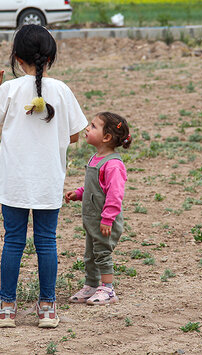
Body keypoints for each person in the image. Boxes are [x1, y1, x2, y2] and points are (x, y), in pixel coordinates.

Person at [0, 24, 87, 328]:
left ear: (16, 57)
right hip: (47, 179)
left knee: (13, 241)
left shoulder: (9, 89)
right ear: (51, 58)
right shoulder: (62, 90)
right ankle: (48, 307)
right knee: (46, 241)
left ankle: (7, 308)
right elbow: (76, 134)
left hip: (13, 179)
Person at [65, 112, 131, 305]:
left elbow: (114, 195)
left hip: (105, 221)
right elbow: (95, 187)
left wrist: (108, 218)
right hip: (93, 219)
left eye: (93, 126)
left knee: (102, 253)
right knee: (90, 254)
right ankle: (92, 285)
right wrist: (79, 193)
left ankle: (108, 289)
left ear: (107, 137)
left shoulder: (113, 165)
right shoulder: (96, 158)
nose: (87, 128)